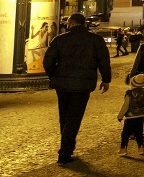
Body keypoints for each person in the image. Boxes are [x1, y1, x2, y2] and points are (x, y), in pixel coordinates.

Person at [43, 13, 112, 165]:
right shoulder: (96, 40)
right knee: (74, 118)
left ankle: (67, 149)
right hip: (82, 85)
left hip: (62, 85)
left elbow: (48, 60)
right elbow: (103, 61)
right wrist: (106, 79)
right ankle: (65, 153)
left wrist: (54, 75)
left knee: (65, 116)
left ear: (71, 23)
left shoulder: (60, 39)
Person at [117, 73, 144, 156]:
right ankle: (141, 148)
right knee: (139, 133)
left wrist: (120, 116)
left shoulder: (130, 94)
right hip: (140, 116)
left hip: (130, 117)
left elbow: (125, 106)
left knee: (125, 133)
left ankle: (123, 148)